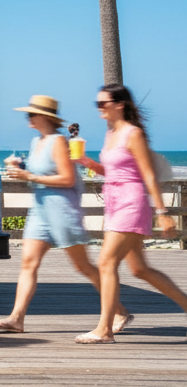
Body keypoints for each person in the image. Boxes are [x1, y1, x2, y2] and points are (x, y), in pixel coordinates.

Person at [0, 96, 130, 334]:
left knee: (83, 267)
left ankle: (120, 311)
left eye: (31, 114)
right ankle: (16, 318)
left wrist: (29, 177)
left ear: (44, 117)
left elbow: (67, 179)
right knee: (28, 263)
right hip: (41, 211)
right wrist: (20, 168)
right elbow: (40, 171)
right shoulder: (37, 141)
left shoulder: (58, 142)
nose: (28, 118)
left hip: (62, 210)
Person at [75, 84, 187, 344]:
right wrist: (89, 164)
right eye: (97, 104)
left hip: (131, 202)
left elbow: (147, 175)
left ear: (119, 104)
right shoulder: (110, 133)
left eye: (103, 103)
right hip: (114, 204)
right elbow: (114, 172)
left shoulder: (133, 134)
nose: (99, 108)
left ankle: (104, 330)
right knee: (140, 270)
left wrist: (163, 212)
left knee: (106, 263)